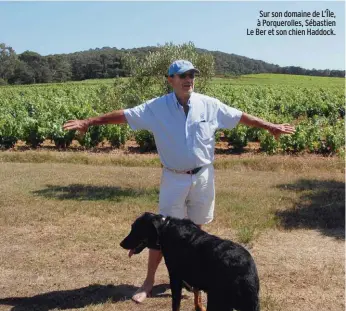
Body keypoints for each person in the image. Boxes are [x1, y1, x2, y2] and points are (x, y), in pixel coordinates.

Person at [63, 59, 295, 303]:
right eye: (182, 75)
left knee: (197, 233)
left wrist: (270, 127)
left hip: (203, 176)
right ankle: (148, 282)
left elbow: (239, 117)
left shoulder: (209, 105)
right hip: (173, 177)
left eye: (191, 75)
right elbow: (124, 115)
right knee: (159, 234)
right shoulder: (156, 108)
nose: (188, 79)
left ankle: (195, 286)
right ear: (170, 79)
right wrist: (89, 122)